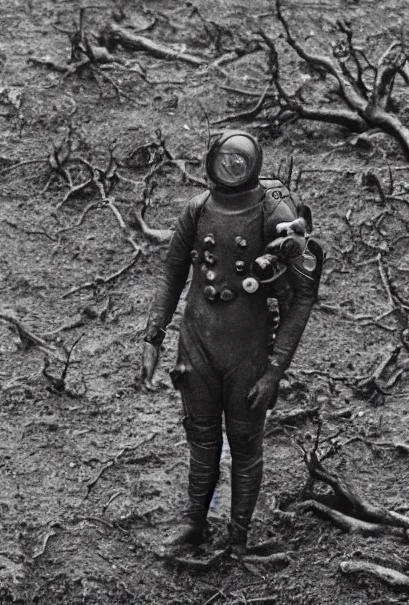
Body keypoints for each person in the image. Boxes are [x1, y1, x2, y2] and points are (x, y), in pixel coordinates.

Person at [140, 130, 323, 554]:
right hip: (197, 343)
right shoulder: (198, 209)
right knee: (201, 438)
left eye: (240, 162)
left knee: (245, 442)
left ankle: (238, 540)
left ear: (254, 165)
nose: (232, 167)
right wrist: (153, 335)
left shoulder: (271, 211)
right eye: (225, 160)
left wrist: (275, 369)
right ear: (210, 161)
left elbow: (304, 293)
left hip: (249, 351)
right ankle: (194, 525)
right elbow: (172, 274)